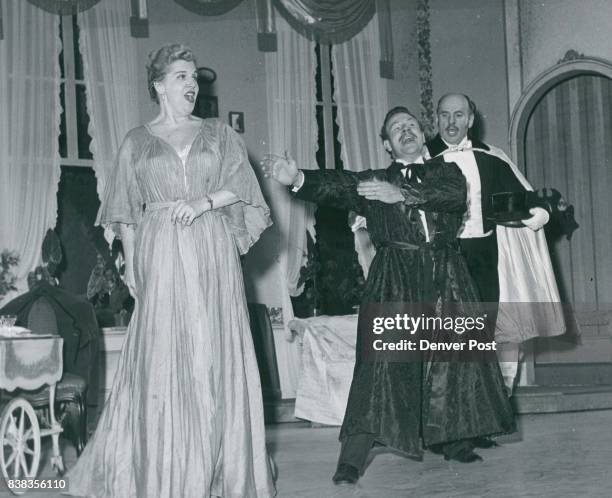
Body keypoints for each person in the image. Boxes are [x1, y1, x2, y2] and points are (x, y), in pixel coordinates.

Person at [262, 107, 515, 485]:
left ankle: (453, 440)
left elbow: (452, 196)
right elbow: (338, 184)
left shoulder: (447, 170)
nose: (406, 131)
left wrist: (401, 193)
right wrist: (297, 178)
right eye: (397, 129)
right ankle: (352, 457)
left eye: (411, 125)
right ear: (386, 143)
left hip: (446, 272)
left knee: (454, 360)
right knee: (378, 364)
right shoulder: (374, 180)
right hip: (395, 276)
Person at [66, 44, 276, 498]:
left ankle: (220, 469)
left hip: (211, 247)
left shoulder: (220, 135)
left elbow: (242, 186)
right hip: (159, 249)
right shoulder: (135, 142)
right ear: (159, 85)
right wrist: (133, 267)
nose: (191, 84)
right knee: (166, 358)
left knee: (213, 351)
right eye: (181, 76)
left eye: (194, 77)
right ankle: (168, 472)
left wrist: (204, 202)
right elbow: (124, 213)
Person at [427, 93, 565, 390]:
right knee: (447, 333)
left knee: (488, 330)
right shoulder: (422, 159)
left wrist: (540, 211)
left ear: (471, 120)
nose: (451, 123)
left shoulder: (492, 155)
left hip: (486, 255)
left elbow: (524, 196)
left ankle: (490, 405)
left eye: (459, 115)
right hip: (442, 256)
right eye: (445, 115)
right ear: (435, 117)